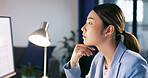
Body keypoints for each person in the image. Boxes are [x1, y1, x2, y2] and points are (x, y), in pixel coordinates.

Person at [64, 3, 148, 78]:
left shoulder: (135, 64)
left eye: (90, 23)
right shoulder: (98, 59)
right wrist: (73, 62)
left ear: (109, 30)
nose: (83, 28)